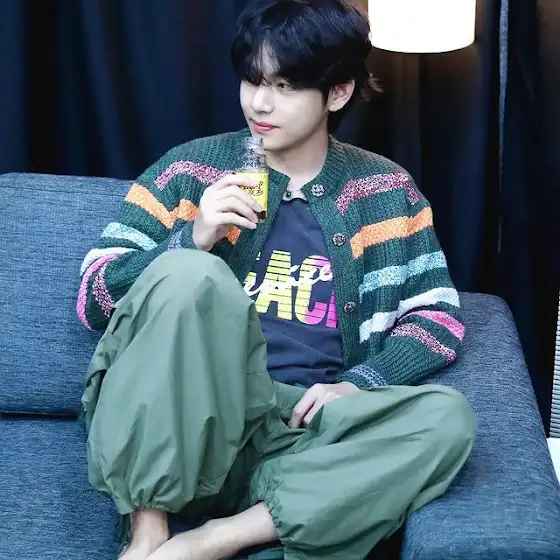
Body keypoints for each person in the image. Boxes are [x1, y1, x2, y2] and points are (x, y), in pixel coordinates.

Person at [77, 1, 476, 559]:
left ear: (337, 92)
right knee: (188, 273)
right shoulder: (189, 171)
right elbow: (94, 299)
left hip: (300, 431)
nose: (259, 104)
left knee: (447, 418)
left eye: (285, 86)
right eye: (253, 80)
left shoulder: (386, 191)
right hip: (192, 418)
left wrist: (362, 382)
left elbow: (436, 317)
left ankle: (218, 539)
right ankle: (149, 531)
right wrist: (191, 237)